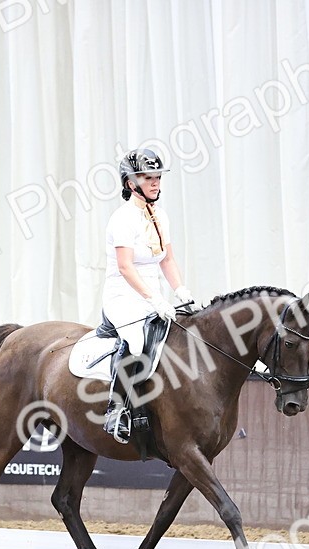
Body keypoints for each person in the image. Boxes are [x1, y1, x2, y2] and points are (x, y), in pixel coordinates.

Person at [101, 148, 195, 442]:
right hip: (124, 297)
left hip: (155, 297)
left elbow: (167, 259)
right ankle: (116, 411)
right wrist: (154, 299)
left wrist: (180, 290)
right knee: (138, 341)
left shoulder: (160, 216)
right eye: (147, 177)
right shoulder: (122, 219)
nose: (155, 183)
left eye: (157, 177)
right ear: (131, 183)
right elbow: (126, 267)